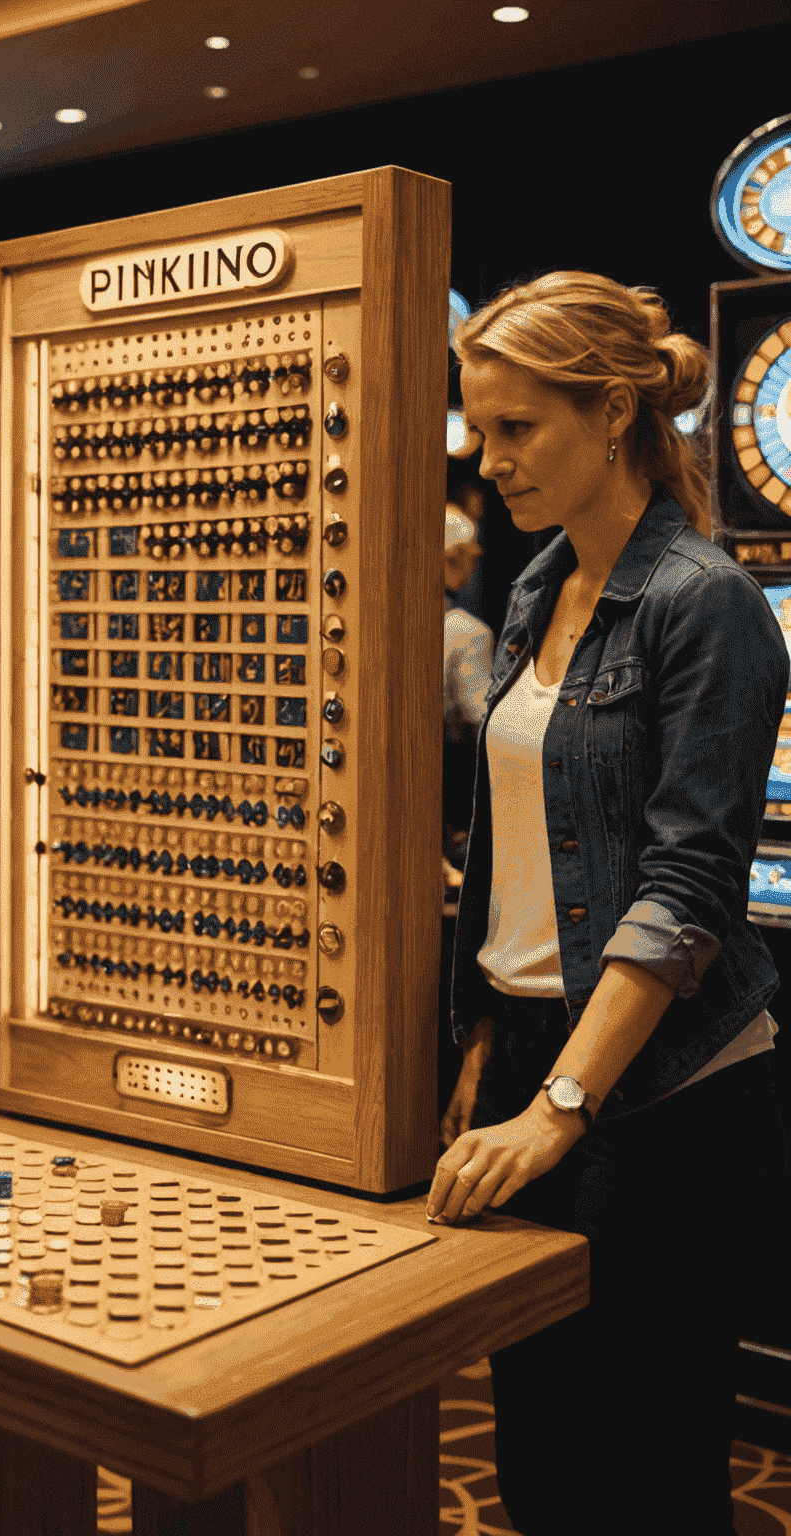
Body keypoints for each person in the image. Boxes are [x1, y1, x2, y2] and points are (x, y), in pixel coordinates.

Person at [432, 271, 788, 1536]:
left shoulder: (710, 603)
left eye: (518, 428)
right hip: (537, 1051)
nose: (490, 459)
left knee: (644, 1469)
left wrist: (563, 1106)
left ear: (616, 413)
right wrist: (489, 1041)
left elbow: (687, 890)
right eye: (481, 427)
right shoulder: (538, 588)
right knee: (539, 1451)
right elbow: (521, 853)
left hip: (664, 1082)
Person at [442, 505, 493, 882]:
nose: (477, 560)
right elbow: (483, 721)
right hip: (451, 797)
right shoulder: (466, 632)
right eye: (472, 552)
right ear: (453, 555)